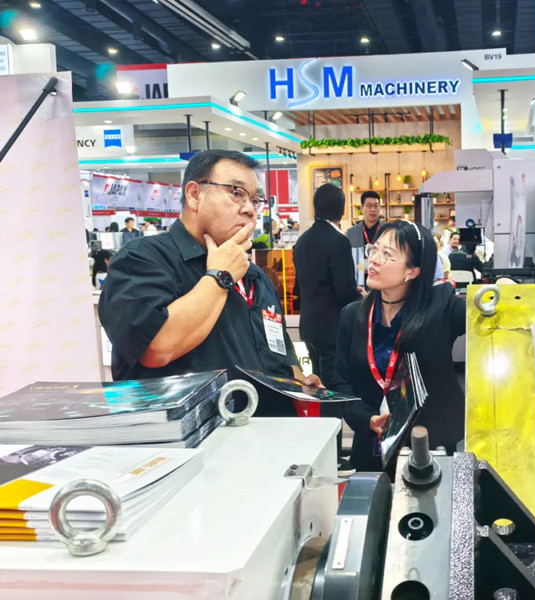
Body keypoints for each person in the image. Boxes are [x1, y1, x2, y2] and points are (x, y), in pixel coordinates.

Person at [99, 150, 319, 401]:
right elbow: (157, 347)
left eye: (255, 199)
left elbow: (280, 356)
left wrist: (299, 381)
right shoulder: (141, 259)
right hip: (194, 426)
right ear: (194, 195)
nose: (249, 209)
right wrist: (221, 276)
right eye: (236, 193)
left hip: (266, 423)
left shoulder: (256, 277)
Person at [329, 221, 466, 472]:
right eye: (374, 249)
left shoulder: (441, 306)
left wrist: (505, 286)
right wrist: (366, 418)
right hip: (371, 447)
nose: (374, 259)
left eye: (387, 254)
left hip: (428, 449)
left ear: (412, 271)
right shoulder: (353, 314)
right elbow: (340, 382)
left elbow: (485, 313)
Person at [294, 183, 365, 476]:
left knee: (317, 387)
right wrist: (361, 296)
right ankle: (332, 457)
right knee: (332, 392)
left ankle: (325, 452)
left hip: (309, 325)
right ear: (342, 209)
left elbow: (299, 288)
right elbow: (344, 290)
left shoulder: (302, 241)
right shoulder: (338, 242)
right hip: (332, 328)